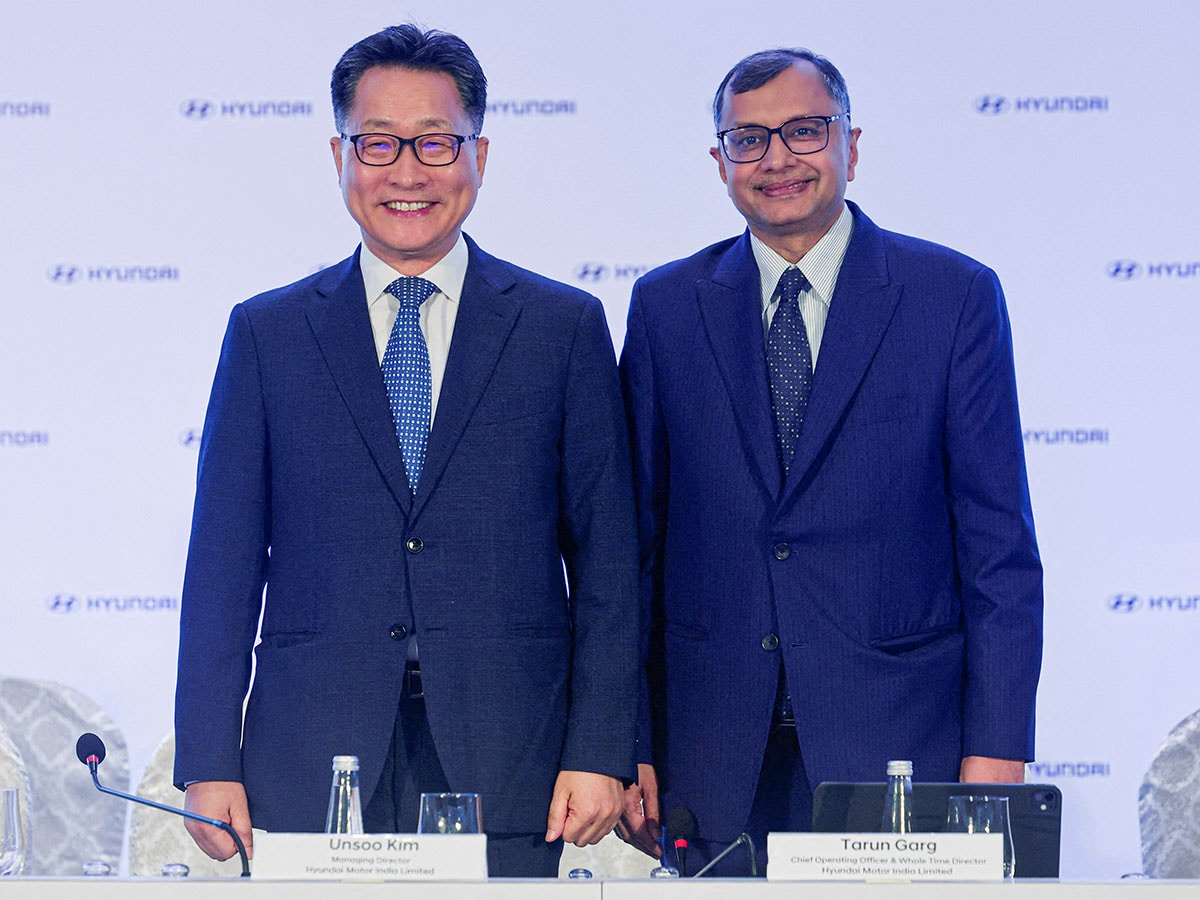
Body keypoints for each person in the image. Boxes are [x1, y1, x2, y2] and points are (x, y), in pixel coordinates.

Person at [173, 24, 638, 878]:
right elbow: (223, 562)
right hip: (313, 756)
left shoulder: (560, 328)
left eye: (435, 141)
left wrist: (603, 746)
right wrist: (208, 758)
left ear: (479, 154)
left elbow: (610, 561)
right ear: (340, 156)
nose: (407, 171)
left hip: (514, 758)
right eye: (378, 143)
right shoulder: (269, 333)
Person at [616, 47, 1043, 875]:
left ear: (852, 142)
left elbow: (1000, 551)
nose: (777, 158)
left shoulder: (951, 297)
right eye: (749, 139)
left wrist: (997, 751)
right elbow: (633, 549)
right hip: (709, 753)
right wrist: (627, 739)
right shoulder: (666, 308)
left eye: (804, 131)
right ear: (719, 162)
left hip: (897, 739)